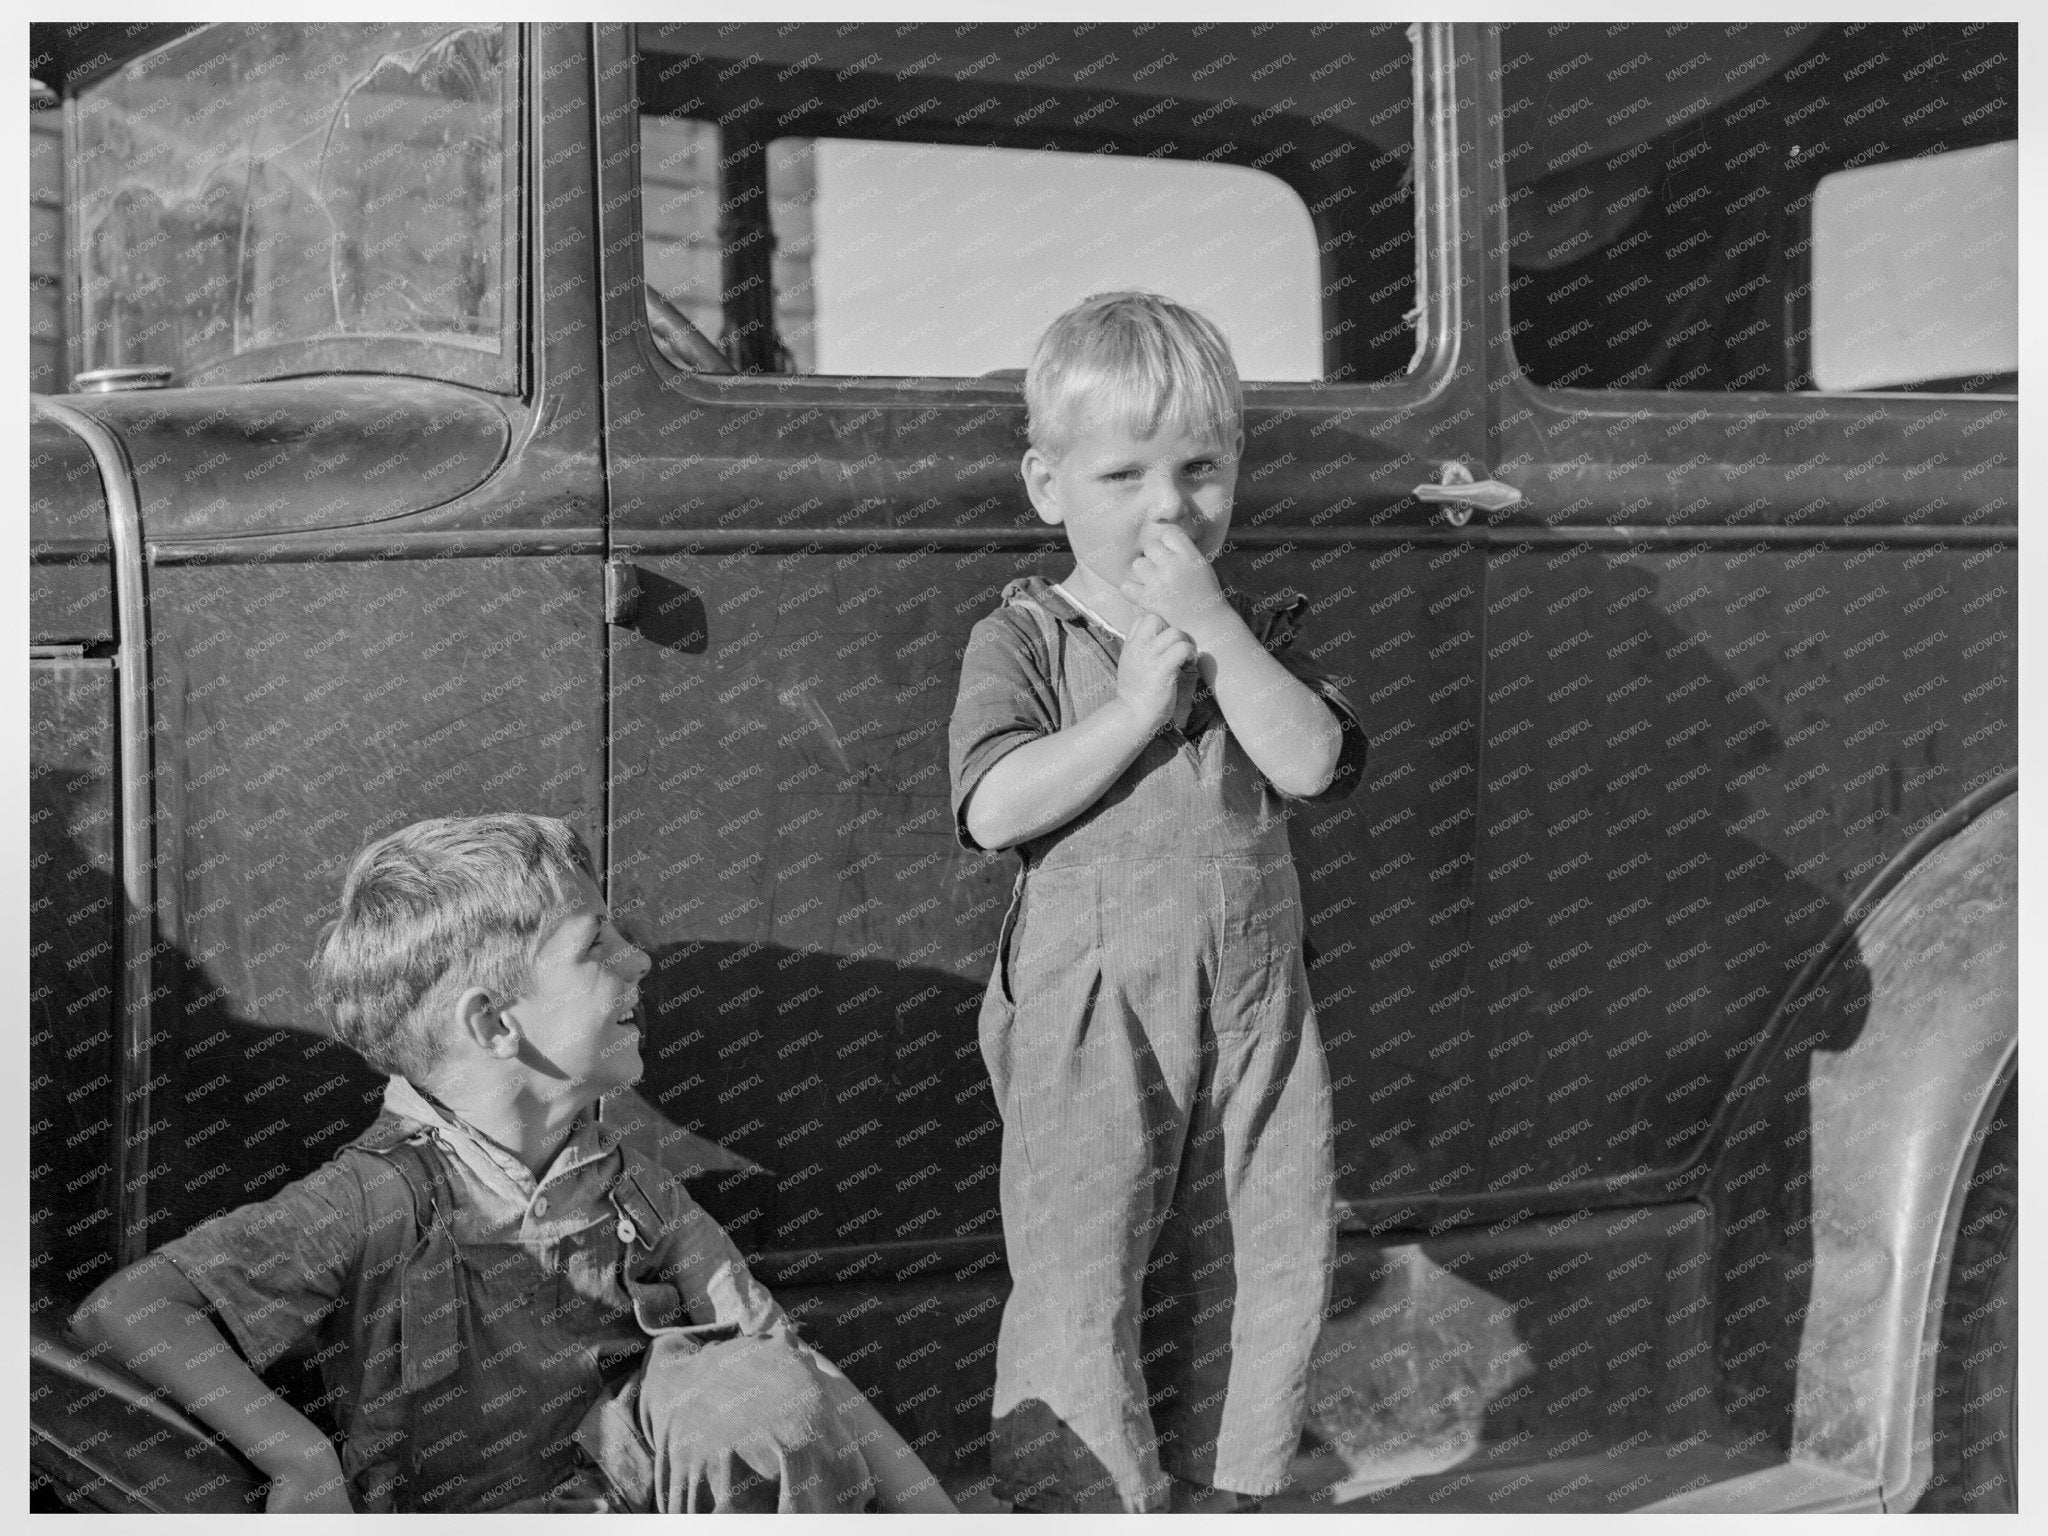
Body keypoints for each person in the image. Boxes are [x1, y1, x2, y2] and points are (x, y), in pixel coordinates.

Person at [68, 813, 955, 1514]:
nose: (641, 960)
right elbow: (130, 1308)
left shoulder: (635, 1191)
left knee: (757, 1396)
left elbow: (787, 1362)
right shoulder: (376, 1200)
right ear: (494, 1023)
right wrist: (299, 1460)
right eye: (597, 944)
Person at [947, 291, 1369, 1512]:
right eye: (1122, 475)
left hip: (1253, 1004)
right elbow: (992, 808)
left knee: (1262, 1243)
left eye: (1199, 470)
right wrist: (1134, 708)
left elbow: (1308, 764)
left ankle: (1232, 1491)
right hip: (1088, 1009)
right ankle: (1086, 1500)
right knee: (1079, 1264)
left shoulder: (1258, 636)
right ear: (1047, 487)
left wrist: (1212, 629)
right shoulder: (1024, 637)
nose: (1169, 507)